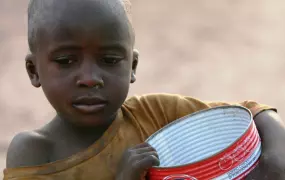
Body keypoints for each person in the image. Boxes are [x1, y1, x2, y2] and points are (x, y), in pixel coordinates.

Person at [4, 0, 285, 179]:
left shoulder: (155, 114)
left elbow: (251, 112)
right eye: (66, 61)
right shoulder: (36, 151)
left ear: (133, 65)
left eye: (110, 60)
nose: (90, 78)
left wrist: (276, 159)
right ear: (34, 70)